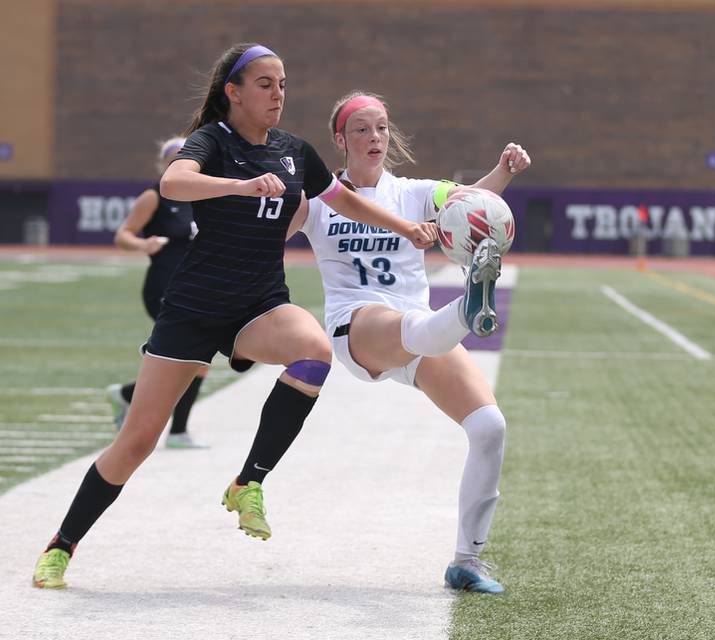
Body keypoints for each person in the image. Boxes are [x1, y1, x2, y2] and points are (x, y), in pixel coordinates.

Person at [32, 44, 438, 589]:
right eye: (266, 84)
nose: (278, 95)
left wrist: (403, 225)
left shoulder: (294, 151)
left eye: (283, 84)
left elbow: (341, 199)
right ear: (235, 92)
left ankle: (249, 481)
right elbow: (175, 183)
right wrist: (240, 186)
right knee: (138, 441)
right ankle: (62, 544)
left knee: (315, 350)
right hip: (194, 310)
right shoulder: (212, 142)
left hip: (259, 304)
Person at [288, 91, 531, 593]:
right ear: (341, 139)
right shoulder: (318, 199)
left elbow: (471, 203)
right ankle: (469, 305)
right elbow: (266, 236)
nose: (374, 137)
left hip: (421, 331)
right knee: (404, 324)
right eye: (362, 129)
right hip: (358, 325)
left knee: (489, 427)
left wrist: (503, 170)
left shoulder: (414, 192)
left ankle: (467, 561)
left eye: (381, 128)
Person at [107, 137, 208, 449]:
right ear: (164, 164)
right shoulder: (154, 196)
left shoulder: (204, 196)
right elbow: (123, 235)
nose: (179, 163)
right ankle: (178, 432)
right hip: (165, 286)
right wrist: (143, 244)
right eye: (173, 158)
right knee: (197, 358)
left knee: (192, 361)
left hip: (198, 287)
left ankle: (127, 395)